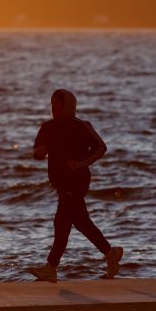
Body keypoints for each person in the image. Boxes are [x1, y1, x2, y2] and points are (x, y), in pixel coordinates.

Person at [27, 89, 123, 283]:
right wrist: (40, 152)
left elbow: (101, 147)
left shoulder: (80, 126)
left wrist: (79, 164)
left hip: (77, 180)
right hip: (60, 183)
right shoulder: (47, 127)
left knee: (61, 222)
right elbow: (37, 153)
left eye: (57, 104)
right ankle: (110, 253)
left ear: (67, 105)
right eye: (51, 104)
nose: (53, 107)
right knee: (79, 221)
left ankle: (51, 267)